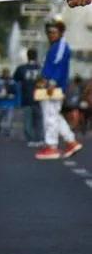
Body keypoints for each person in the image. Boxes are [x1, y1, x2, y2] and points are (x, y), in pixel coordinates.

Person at [35, 20, 82, 159]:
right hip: (50, 85)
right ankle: (71, 141)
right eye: (49, 32)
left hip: (52, 86)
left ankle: (51, 146)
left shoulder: (60, 46)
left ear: (61, 33)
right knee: (54, 115)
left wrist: (52, 82)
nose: (51, 35)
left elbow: (58, 65)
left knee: (50, 116)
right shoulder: (55, 46)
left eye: (54, 32)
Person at [13, 48, 43, 147]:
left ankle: (30, 139)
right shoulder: (41, 68)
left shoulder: (21, 68)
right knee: (39, 120)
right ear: (36, 56)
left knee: (27, 120)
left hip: (26, 97)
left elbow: (16, 79)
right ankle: (40, 138)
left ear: (27, 56)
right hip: (39, 97)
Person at [0, 68, 19, 138]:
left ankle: (7, 133)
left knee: (9, 119)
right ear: (2, 73)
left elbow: (17, 92)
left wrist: (17, 102)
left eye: (7, 73)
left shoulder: (13, 82)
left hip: (10, 103)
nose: (6, 74)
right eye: (5, 73)